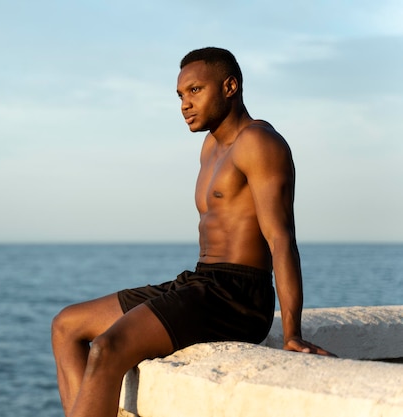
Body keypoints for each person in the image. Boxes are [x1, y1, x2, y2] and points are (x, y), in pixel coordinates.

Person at [51, 47, 334, 417]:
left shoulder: (259, 142)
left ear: (230, 86)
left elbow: (281, 238)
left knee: (108, 347)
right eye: (181, 95)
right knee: (66, 326)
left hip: (236, 298)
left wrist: (292, 332)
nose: (185, 104)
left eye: (196, 91)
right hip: (201, 283)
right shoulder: (210, 147)